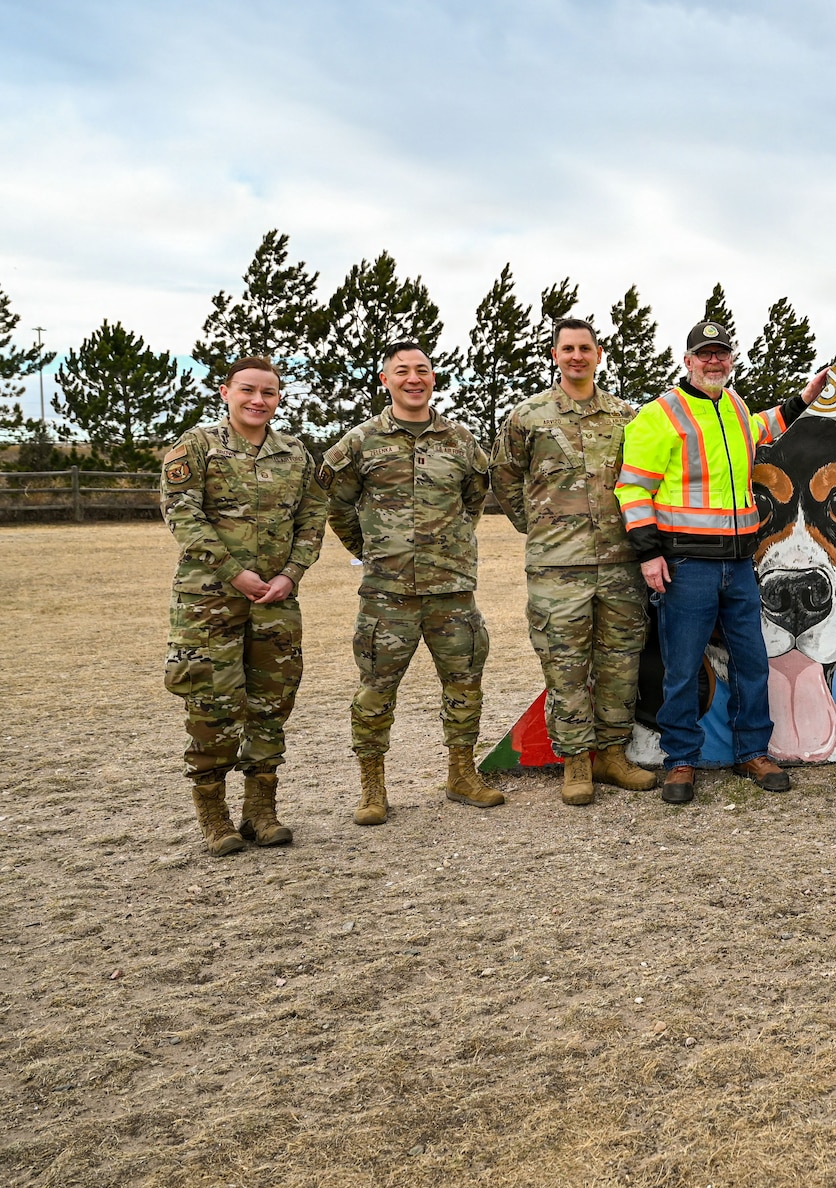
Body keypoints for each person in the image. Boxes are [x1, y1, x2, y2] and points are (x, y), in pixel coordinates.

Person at [615, 320, 829, 804]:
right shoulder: (660, 414)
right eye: (704, 354)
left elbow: (758, 431)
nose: (714, 361)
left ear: (730, 361)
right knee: (683, 668)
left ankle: (752, 751)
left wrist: (802, 399)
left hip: (739, 565)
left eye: (722, 353)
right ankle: (681, 760)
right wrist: (649, 554)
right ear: (687, 361)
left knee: (753, 662)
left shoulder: (733, 405)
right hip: (687, 565)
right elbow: (632, 487)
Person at [322, 341, 501, 824]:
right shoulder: (360, 442)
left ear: (434, 378)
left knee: (464, 684)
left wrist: (448, 548)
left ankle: (462, 774)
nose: (413, 378)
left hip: (451, 591)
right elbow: (336, 504)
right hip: (388, 594)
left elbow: (473, 500)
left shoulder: (462, 442)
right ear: (385, 380)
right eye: (402, 371)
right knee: (376, 689)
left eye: (422, 370)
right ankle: (373, 790)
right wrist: (370, 550)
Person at [160, 357, 328, 855]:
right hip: (209, 601)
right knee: (211, 704)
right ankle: (215, 818)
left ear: (279, 399)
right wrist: (233, 571)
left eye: (269, 393)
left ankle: (261, 811)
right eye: (248, 391)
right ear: (224, 392)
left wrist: (290, 573)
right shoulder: (197, 446)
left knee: (270, 704)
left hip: (276, 601)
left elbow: (313, 516)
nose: (258, 400)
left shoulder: (294, 452)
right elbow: (181, 513)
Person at [491, 317, 656, 807]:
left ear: (599, 354)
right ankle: (576, 760)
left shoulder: (628, 418)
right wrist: (540, 528)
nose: (577, 356)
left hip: (620, 561)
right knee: (564, 666)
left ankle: (611, 753)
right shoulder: (528, 416)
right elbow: (505, 477)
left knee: (620, 664)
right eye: (568, 349)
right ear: (556, 355)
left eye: (585, 348)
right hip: (556, 567)